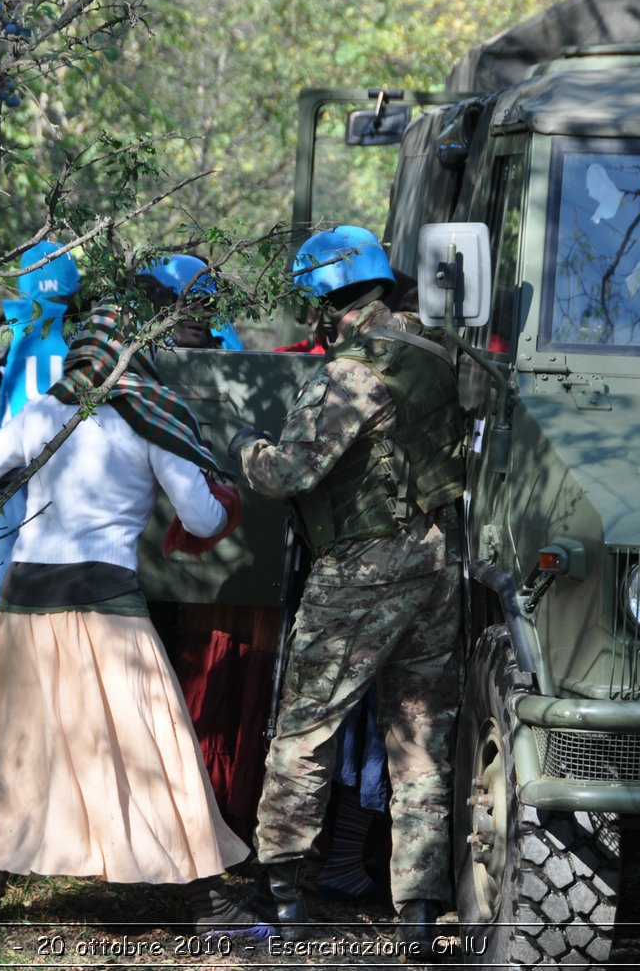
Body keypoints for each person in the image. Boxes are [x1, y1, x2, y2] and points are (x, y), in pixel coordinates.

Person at [0, 295, 270, 940]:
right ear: (138, 352)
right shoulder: (152, 416)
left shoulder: (45, 411)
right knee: (155, 742)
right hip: (107, 601)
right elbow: (200, 518)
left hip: (27, 597)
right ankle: (209, 907)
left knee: (20, 746)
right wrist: (224, 499)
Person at [228, 226, 465, 954]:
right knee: (421, 739)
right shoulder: (434, 347)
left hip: (362, 567)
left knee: (305, 731)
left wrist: (244, 443)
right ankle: (419, 914)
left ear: (327, 300)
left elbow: (287, 474)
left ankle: (284, 896)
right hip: (437, 560)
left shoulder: (353, 372)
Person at [0, 241, 81, 604]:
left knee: (10, 561)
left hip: (9, 464)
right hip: (74, 463)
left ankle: (9, 637)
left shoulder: (4, 331)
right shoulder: (86, 333)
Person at [139, 253, 245, 350]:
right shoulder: (135, 355)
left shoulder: (220, 346)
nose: (200, 314)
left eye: (207, 303)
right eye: (186, 302)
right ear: (154, 306)